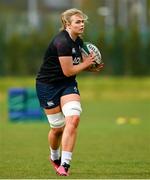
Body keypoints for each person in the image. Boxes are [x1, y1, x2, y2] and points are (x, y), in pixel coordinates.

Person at [36, 8, 104, 176]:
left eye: (82, 22)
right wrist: (86, 63)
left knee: (73, 118)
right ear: (67, 24)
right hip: (47, 86)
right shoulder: (62, 42)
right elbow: (68, 70)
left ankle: (65, 164)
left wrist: (91, 67)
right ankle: (54, 156)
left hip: (67, 84)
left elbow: (74, 68)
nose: (82, 25)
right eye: (78, 22)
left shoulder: (78, 41)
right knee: (57, 128)